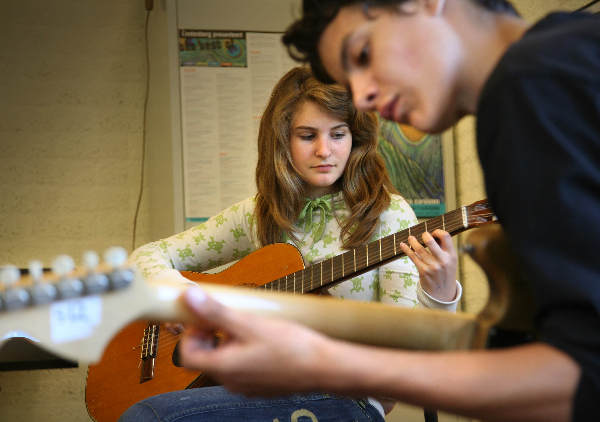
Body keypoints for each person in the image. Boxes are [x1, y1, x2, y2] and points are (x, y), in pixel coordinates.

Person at [171, 1, 600, 421]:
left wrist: (320, 363)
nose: (363, 95)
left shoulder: (531, 83)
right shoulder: (565, 59)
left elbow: (580, 379)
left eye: (363, 53)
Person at [119, 65, 461, 421]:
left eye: (338, 134)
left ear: (355, 138)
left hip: (346, 397)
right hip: (256, 389)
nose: (325, 151)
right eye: (307, 135)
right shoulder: (257, 215)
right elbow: (146, 256)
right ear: (282, 140)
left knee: (150, 417)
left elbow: (407, 359)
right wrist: (181, 300)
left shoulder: (387, 215)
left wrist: (439, 295)